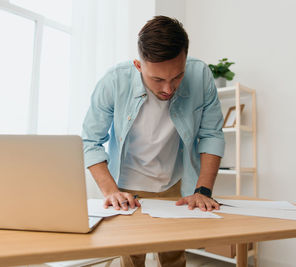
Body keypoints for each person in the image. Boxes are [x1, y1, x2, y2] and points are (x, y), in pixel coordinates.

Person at [81, 16, 225, 267]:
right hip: (126, 185)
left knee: (174, 257)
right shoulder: (114, 81)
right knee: (131, 257)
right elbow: (90, 141)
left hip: (175, 182)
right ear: (138, 65)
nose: (169, 88)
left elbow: (212, 134)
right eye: (158, 80)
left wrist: (203, 190)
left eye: (177, 77)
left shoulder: (201, 75)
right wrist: (111, 191)